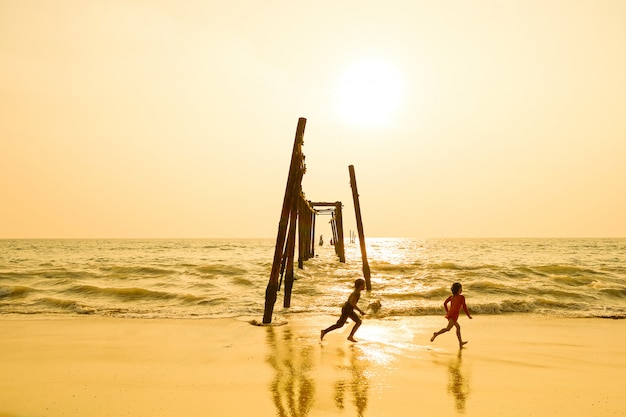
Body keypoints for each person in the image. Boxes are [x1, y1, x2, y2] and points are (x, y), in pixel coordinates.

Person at [430, 282, 472, 348]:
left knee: (458, 327)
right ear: (458, 290)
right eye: (461, 289)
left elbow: (445, 303)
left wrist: (448, 311)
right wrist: (468, 315)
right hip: (454, 315)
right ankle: (436, 334)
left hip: (451, 314)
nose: (461, 290)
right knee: (448, 328)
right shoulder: (461, 297)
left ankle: (460, 342)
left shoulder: (451, 297)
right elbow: (464, 307)